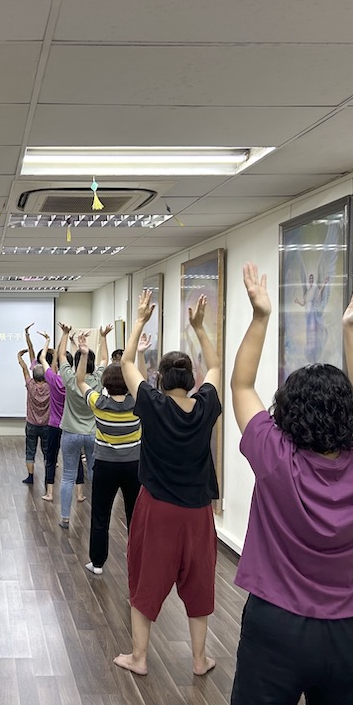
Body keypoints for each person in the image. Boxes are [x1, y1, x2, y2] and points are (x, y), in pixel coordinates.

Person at [225, 265, 353, 705]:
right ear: (350, 416)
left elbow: (241, 386)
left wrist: (260, 316)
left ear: (287, 415)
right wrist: (352, 327)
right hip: (351, 632)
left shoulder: (275, 458)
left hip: (277, 626)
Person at [113, 289, 221, 677]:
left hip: (156, 508)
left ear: (159, 379)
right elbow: (216, 366)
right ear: (191, 380)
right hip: (197, 513)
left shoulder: (152, 405)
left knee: (146, 579)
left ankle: (139, 657)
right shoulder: (206, 406)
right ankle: (199, 659)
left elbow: (127, 363)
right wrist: (200, 328)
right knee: (199, 583)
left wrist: (139, 321)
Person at [73, 333, 141, 575]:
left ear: (105, 383)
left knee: (100, 515)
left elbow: (80, 380)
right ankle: (137, 563)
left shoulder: (98, 402)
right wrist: (140, 355)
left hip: (105, 465)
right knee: (136, 516)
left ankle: (98, 563)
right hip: (134, 466)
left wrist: (83, 354)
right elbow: (142, 382)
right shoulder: (138, 402)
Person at [55, 323, 109, 528]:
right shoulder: (97, 380)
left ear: (76, 362)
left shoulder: (70, 379)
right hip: (93, 433)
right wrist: (103, 336)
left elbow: (61, 356)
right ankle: (98, 515)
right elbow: (105, 359)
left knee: (68, 476)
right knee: (95, 476)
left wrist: (65, 334)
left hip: (70, 432)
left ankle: (65, 518)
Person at [37, 331, 86, 504]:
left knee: (50, 459)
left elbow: (42, 358)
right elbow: (80, 362)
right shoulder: (76, 382)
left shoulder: (52, 379)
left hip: (53, 426)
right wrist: (75, 343)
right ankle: (79, 494)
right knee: (76, 460)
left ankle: (50, 493)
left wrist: (48, 341)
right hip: (71, 426)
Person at [17, 346, 50, 485]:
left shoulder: (30, 385)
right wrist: (53, 353)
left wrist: (19, 357)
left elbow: (25, 369)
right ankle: (48, 477)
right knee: (47, 452)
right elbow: (53, 369)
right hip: (47, 425)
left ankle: (30, 477)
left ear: (34, 376)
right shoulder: (50, 386)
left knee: (30, 450)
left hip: (31, 424)